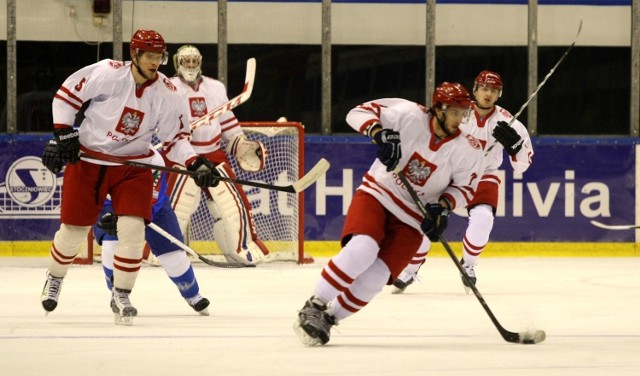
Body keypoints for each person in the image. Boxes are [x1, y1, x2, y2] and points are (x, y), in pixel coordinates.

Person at [39, 29, 220, 326]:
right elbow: (67, 96)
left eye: (159, 56)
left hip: (134, 166)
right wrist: (63, 132)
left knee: (133, 231)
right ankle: (55, 277)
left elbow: (176, 139)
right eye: (150, 55)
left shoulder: (168, 92)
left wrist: (194, 162)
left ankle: (121, 294)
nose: (155, 61)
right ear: (134, 54)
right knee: (73, 233)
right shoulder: (107, 73)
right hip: (90, 161)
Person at [293, 82, 485, 346]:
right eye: (456, 112)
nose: (461, 119)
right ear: (439, 108)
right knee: (363, 249)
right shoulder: (408, 114)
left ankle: (329, 319)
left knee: (377, 276)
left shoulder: (467, 149)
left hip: (413, 218)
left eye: (464, 113)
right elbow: (357, 113)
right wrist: (379, 133)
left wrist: (443, 207)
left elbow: (465, 189)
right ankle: (314, 305)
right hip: (378, 194)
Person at [392, 70, 534, 294]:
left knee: (483, 217)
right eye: (484, 89)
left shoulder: (509, 122)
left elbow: (522, 165)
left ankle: (467, 265)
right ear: (475, 90)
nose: (488, 94)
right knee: (426, 218)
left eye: (494, 90)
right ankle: (411, 267)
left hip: (484, 174)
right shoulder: (458, 111)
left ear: (499, 94)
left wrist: (515, 147)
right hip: (448, 172)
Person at [168, 45, 269, 266]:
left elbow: (227, 123)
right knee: (175, 206)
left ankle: (242, 249)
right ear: (178, 63)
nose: (191, 65)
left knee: (234, 203)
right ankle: (163, 251)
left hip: (213, 152)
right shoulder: (168, 87)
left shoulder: (215, 87)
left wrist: (240, 144)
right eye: (187, 61)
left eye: (195, 61)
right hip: (181, 153)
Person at [94, 151, 210, 316]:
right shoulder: (104, 153)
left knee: (174, 257)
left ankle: (192, 294)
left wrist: (137, 216)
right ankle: (117, 292)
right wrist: (109, 211)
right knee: (111, 242)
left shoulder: (153, 160)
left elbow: (153, 199)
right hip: (112, 206)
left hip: (153, 207)